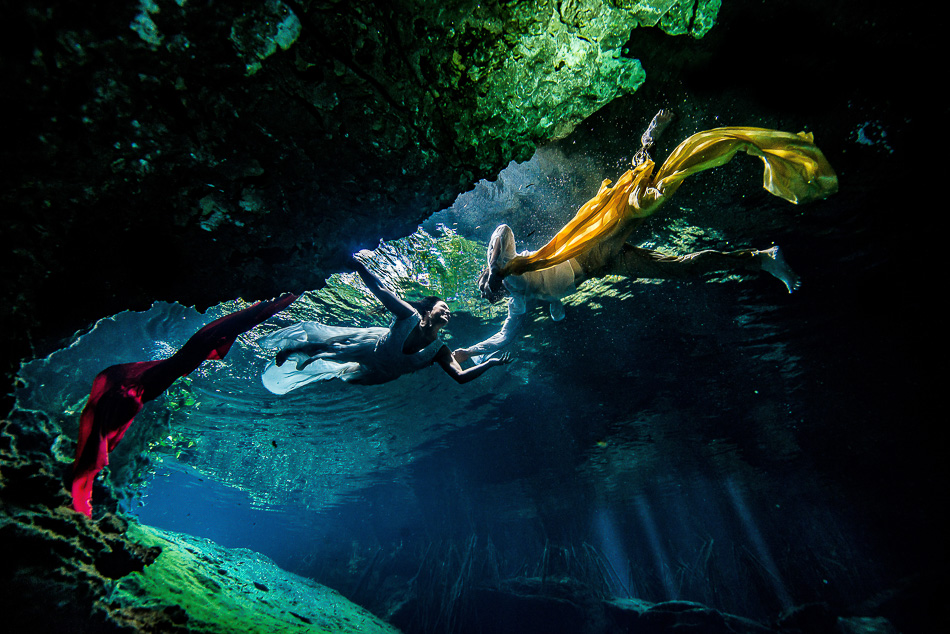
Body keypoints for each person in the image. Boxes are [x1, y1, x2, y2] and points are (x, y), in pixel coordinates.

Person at [455, 111, 837, 362]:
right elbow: (504, 337)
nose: (495, 294)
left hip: (593, 248)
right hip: (604, 267)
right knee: (682, 269)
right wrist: (468, 352)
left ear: (489, 278)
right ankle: (762, 258)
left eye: (490, 286)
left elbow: (502, 232)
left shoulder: (510, 268)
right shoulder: (516, 302)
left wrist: (495, 269)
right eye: (494, 293)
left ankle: (649, 141)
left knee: (648, 199)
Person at [70, 293, 298, 517]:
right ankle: (80, 496)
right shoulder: (138, 389)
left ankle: (274, 302)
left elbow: (237, 324)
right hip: (146, 382)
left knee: (220, 333)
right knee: (220, 333)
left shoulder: (144, 385)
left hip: (150, 380)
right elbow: (238, 324)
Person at [259, 256, 511, 394]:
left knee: (345, 375)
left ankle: (328, 370)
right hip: (372, 348)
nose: (448, 313)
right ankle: (294, 349)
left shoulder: (440, 350)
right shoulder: (409, 316)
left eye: (449, 311)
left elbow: (461, 377)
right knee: (329, 348)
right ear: (428, 310)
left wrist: (490, 362)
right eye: (443, 307)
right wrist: (358, 266)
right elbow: (380, 289)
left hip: (385, 373)